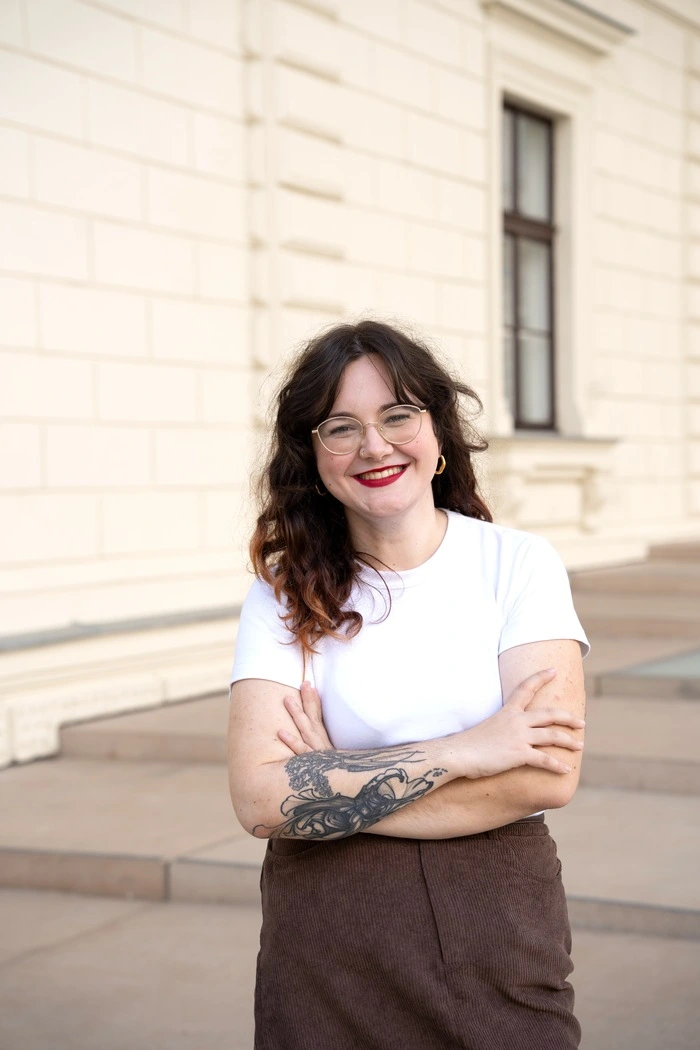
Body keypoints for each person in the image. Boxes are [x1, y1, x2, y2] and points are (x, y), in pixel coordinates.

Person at [227, 319, 589, 1050]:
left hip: (495, 913)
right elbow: (263, 800)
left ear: (439, 433)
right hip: (328, 929)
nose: (375, 445)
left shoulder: (517, 564)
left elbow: (546, 777)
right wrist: (467, 750)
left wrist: (332, 783)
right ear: (313, 455)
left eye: (398, 415)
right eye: (341, 426)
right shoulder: (283, 593)